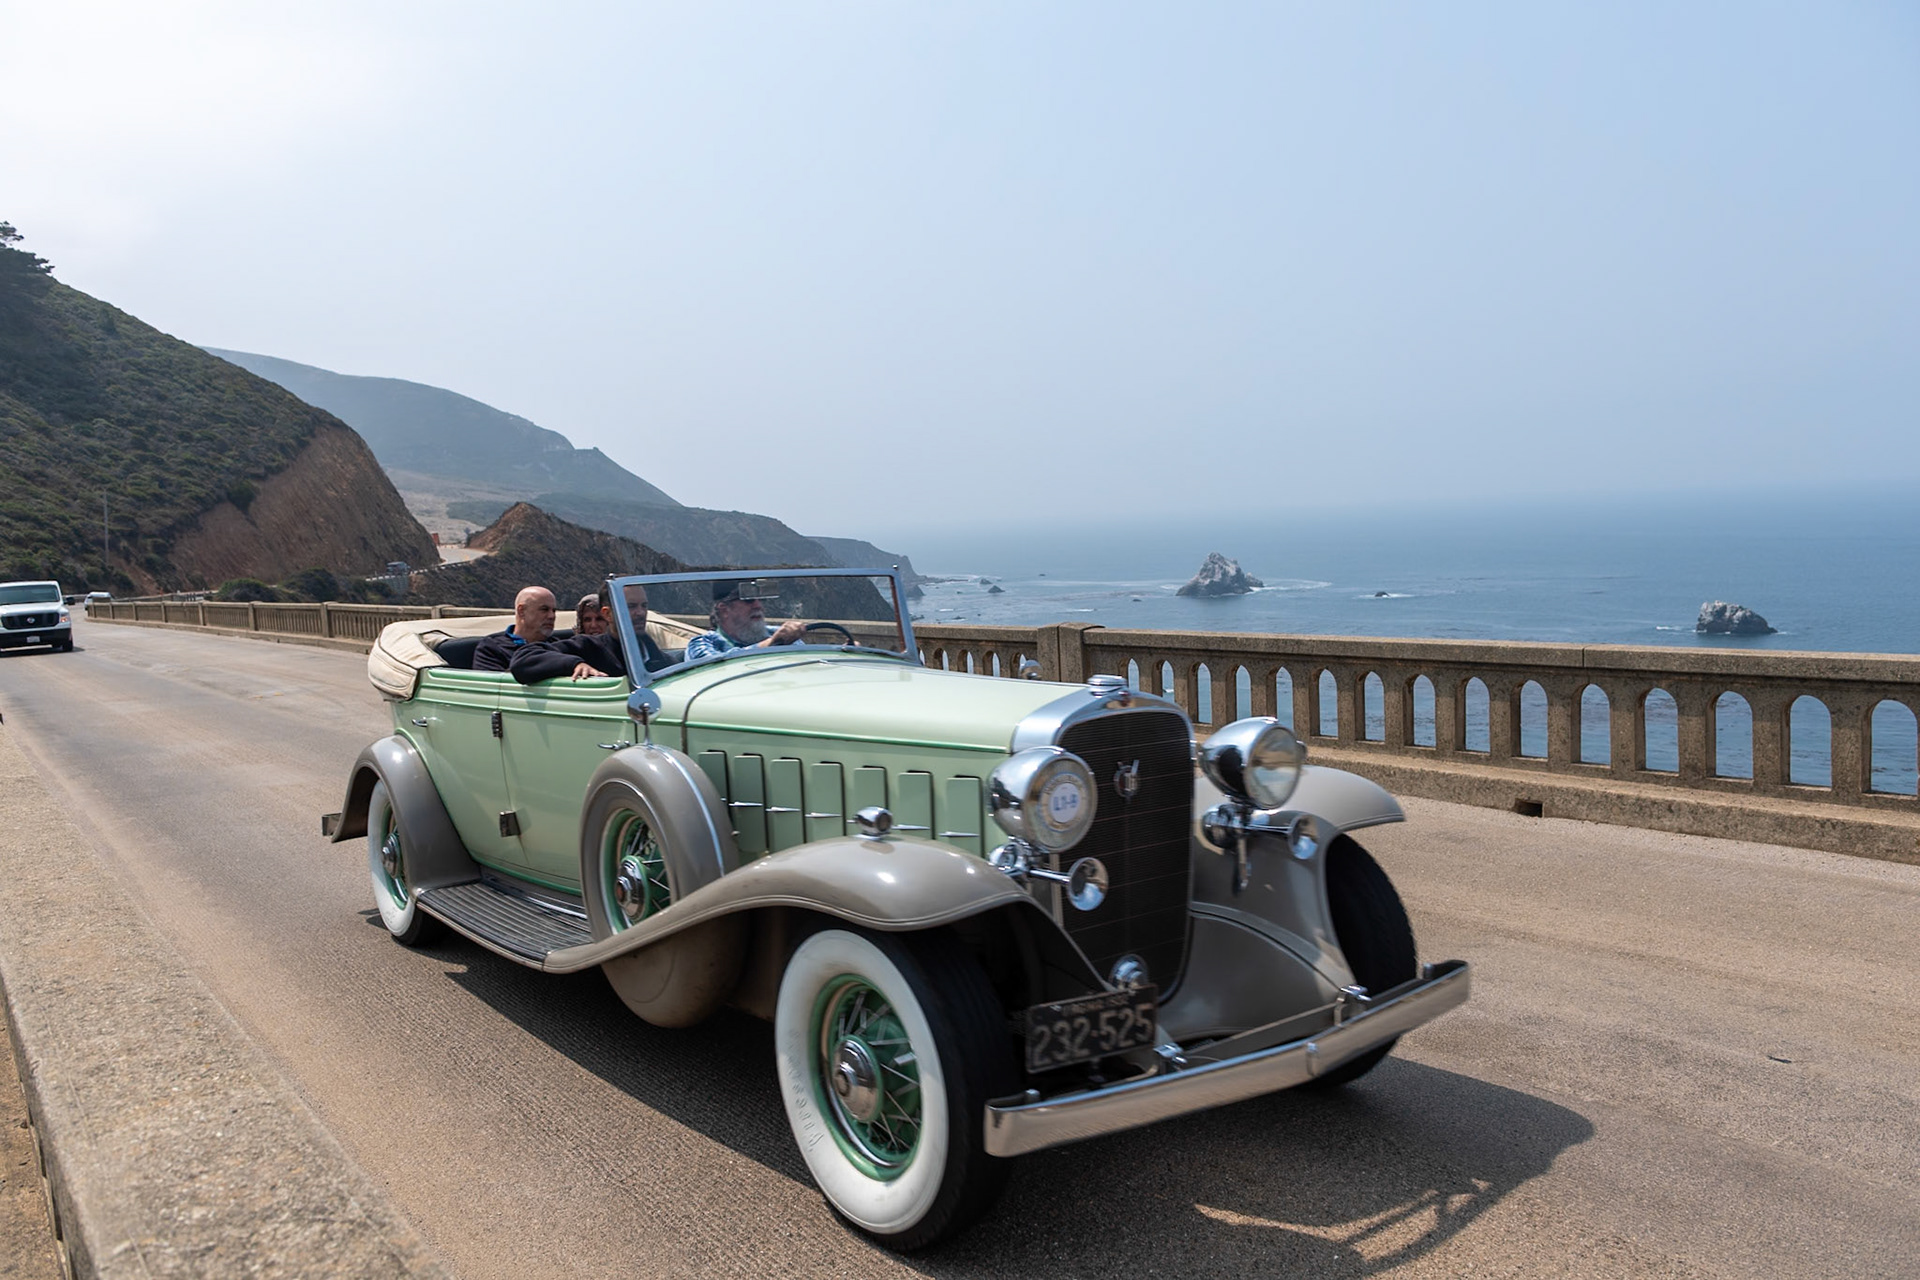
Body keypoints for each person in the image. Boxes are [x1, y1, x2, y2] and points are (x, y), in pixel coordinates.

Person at [475, 585, 624, 683]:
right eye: (544, 610)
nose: (552, 616)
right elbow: (498, 689)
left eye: (554, 610)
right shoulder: (491, 648)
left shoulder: (559, 645)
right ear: (521, 611)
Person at [684, 579, 807, 662]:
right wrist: (772, 644)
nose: (758, 606)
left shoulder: (775, 633)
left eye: (760, 600)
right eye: (748, 600)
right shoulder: (702, 644)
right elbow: (716, 669)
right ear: (724, 610)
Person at [616, 582, 672, 672]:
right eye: (631, 606)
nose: (641, 613)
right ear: (607, 614)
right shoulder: (591, 649)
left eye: (644, 606)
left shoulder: (658, 657)